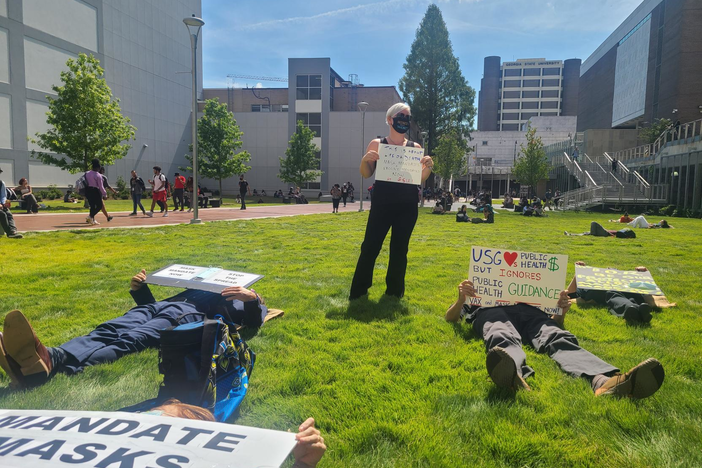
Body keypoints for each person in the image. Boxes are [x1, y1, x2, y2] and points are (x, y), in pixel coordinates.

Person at [0, 268, 269, 389]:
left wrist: (252, 299)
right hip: (158, 306)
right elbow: (157, 304)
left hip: (188, 315)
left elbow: (257, 320)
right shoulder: (199, 286)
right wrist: (140, 290)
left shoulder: (243, 300)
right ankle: (52, 356)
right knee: (106, 330)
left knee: (131, 339)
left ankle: (49, 365)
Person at [444, 280, 665, 397]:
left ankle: (604, 381)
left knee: (556, 336)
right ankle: (513, 375)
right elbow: (451, 318)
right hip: (492, 311)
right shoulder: (477, 291)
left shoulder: (534, 292)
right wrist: (461, 299)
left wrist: (561, 311)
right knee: (500, 332)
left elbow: (555, 323)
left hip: (531, 313)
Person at [349, 102, 434, 300]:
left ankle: (394, 291)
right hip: (382, 204)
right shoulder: (377, 144)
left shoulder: (415, 148)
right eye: (400, 115)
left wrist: (428, 166)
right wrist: (364, 160)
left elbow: (420, 178)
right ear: (389, 119)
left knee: (400, 249)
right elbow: (367, 173)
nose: (404, 119)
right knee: (370, 246)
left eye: (407, 116)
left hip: (407, 205)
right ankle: (360, 289)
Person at [565, 261, 658, 323]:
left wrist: (644, 275)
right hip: (600, 291)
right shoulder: (589, 280)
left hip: (624, 290)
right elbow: (569, 293)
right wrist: (578, 274)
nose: (609, 269)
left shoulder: (626, 281)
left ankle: (636, 311)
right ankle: (630, 308)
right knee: (612, 294)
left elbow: (646, 293)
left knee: (628, 296)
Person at [0, 169, 23, 238]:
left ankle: (13, 231)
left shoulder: (1, 183)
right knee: (2, 214)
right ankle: (9, 233)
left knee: (8, 213)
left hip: (0, 205)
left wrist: (5, 203)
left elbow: (3, 196)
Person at [84, 159, 106, 225]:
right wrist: (105, 194)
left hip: (88, 190)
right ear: (98, 168)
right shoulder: (98, 175)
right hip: (95, 191)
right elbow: (101, 186)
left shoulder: (87, 173)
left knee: (92, 206)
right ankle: (90, 216)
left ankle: (92, 220)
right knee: (99, 206)